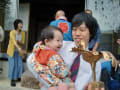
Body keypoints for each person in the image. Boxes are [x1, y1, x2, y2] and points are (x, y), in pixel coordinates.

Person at [27, 26, 75, 90]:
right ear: (46, 41)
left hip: (47, 79)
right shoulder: (52, 55)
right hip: (57, 81)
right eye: (58, 40)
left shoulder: (39, 49)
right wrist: (66, 72)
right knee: (72, 86)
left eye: (61, 41)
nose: (60, 44)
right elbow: (57, 69)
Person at [7, 19, 26, 87]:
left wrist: (19, 42)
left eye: (22, 23)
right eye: (20, 23)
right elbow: (13, 41)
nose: (21, 25)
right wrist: (18, 47)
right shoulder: (12, 32)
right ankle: (12, 80)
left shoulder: (23, 33)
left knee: (20, 64)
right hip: (11, 51)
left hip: (18, 52)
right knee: (13, 65)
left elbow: (23, 42)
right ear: (16, 25)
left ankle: (18, 77)